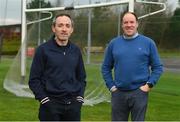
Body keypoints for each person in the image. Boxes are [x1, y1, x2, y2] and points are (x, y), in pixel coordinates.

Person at [101, 12, 163, 121]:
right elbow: (105, 67)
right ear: (122, 25)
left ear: (137, 24)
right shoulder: (114, 44)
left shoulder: (148, 43)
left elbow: (157, 67)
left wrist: (148, 85)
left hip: (139, 93)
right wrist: (111, 86)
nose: (129, 25)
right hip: (118, 93)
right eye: (126, 22)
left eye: (132, 22)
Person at [29, 13, 86, 121]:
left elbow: (81, 77)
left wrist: (79, 99)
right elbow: (34, 80)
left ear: (71, 30)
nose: (64, 29)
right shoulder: (43, 50)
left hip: (73, 107)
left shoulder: (76, 50)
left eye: (67, 26)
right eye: (60, 25)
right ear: (54, 28)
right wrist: (45, 100)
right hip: (50, 107)